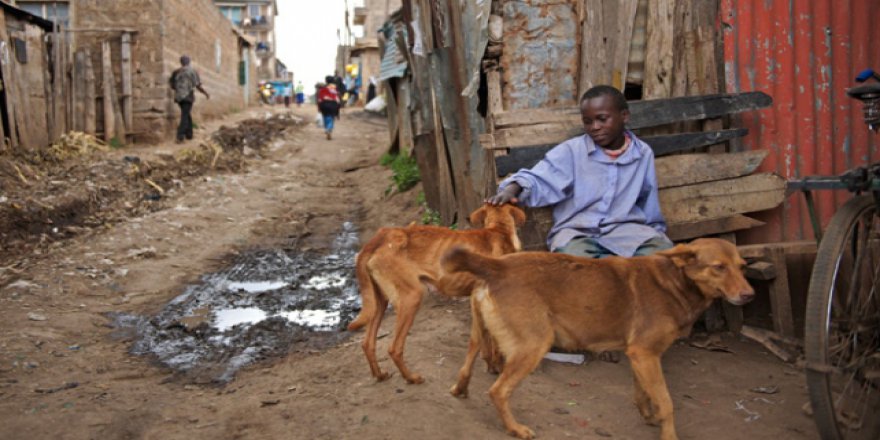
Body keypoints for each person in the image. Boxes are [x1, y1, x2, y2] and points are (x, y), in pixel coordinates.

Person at [487, 85, 673, 259]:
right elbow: (539, 179)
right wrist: (512, 189)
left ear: (624, 116)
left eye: (602, 119)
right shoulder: (572, 151)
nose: (595, 127)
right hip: (577, 233)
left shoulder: (642, 153)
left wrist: (655, 234)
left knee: (662, 256)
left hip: (626, 231)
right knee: (576, 265)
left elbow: (648, 198)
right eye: (587, 121)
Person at [168, 55, 209, 143]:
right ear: (189, 62)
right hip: (187, 96)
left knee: (186, 113)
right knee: (185, 116)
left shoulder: (176, 72)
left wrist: (179, 89)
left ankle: (189, 134)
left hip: (179, 97)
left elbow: (172, 85)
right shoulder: (192, 71)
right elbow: (198, 85)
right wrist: (205, 93)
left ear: (181, 62)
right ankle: (180, 136)